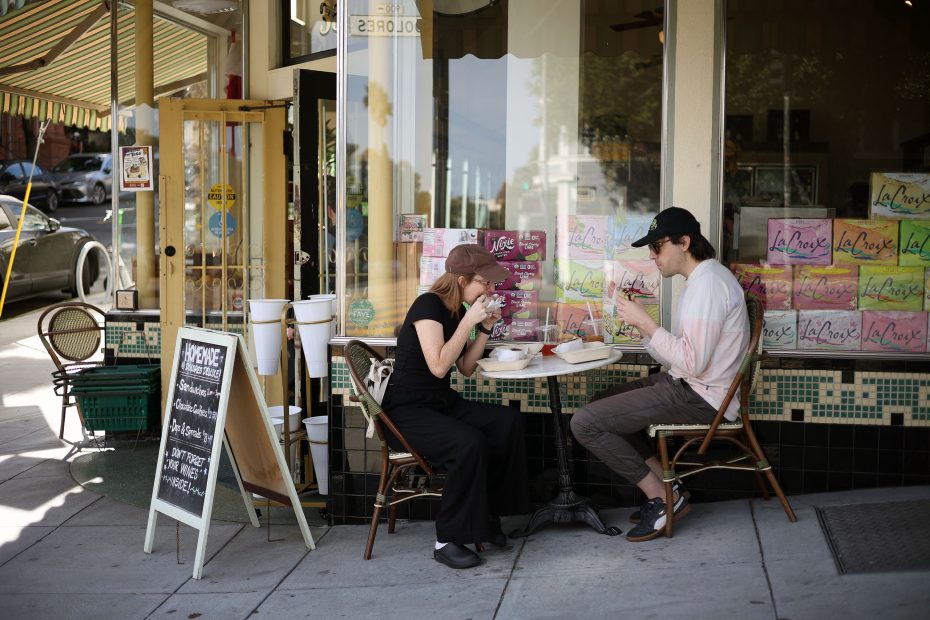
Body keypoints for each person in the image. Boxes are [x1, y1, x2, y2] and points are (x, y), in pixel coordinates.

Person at [570, 207, 749, 542]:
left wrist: (648, 324)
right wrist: (641, 328)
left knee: (585, 422)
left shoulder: (708, 285)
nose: (653, 256)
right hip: (687, 384)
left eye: (658, 246)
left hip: (701, 396)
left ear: (684, 242)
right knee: (600, 403)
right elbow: (680, 357)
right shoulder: (701, 280)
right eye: (650, 249)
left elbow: (692, 363)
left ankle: (663, 498)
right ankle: (670, 485)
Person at [381, 244, 530, 569]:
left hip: (440, 403)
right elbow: (438, 366)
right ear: (462, 279)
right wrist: (468, 323)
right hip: (408, 411)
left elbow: (464, 367)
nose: (490, 288)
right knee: (469, 444)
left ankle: (489, 518)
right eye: (485, 282)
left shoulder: (458, 310)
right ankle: (447, 539)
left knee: (508, 422)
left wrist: (485, 328)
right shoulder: (428, 306)